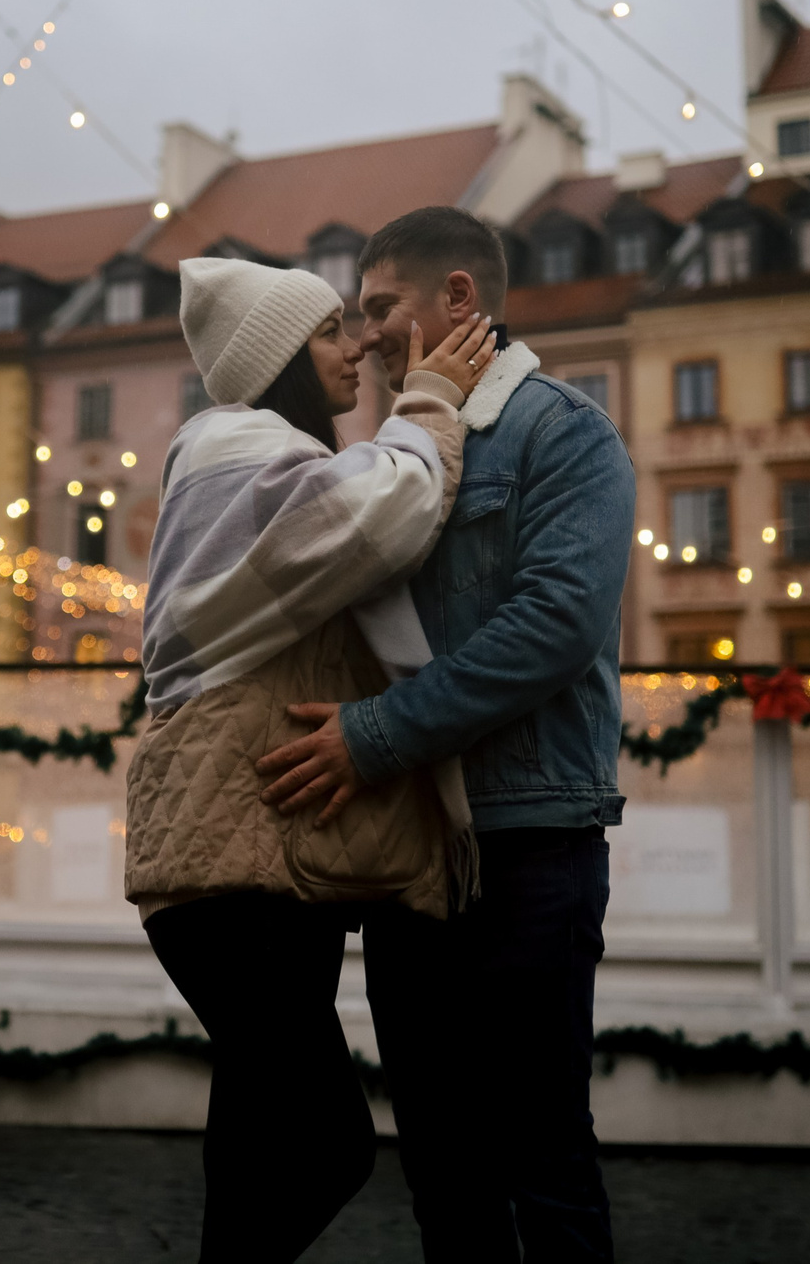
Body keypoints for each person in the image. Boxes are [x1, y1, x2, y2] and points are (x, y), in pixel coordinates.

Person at [256, 205, 634, 1262]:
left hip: (527, 840)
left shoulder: (563, 431)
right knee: (439, 1159)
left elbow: (555, 626)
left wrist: (374, 736)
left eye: (381, 308)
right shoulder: (398, 449)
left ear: (457, 299)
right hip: (411, 847)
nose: (366, 334)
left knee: (540, 1153)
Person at [127, 254, 496, 1264]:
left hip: (243, 851)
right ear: (281, 357)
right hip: (230, 860)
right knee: (325, 1142)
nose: (357, 347)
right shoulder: (232, 446)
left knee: (255, 1137)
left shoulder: (248, 455)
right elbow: (385, 514)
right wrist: (429, 403)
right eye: (332, 331)